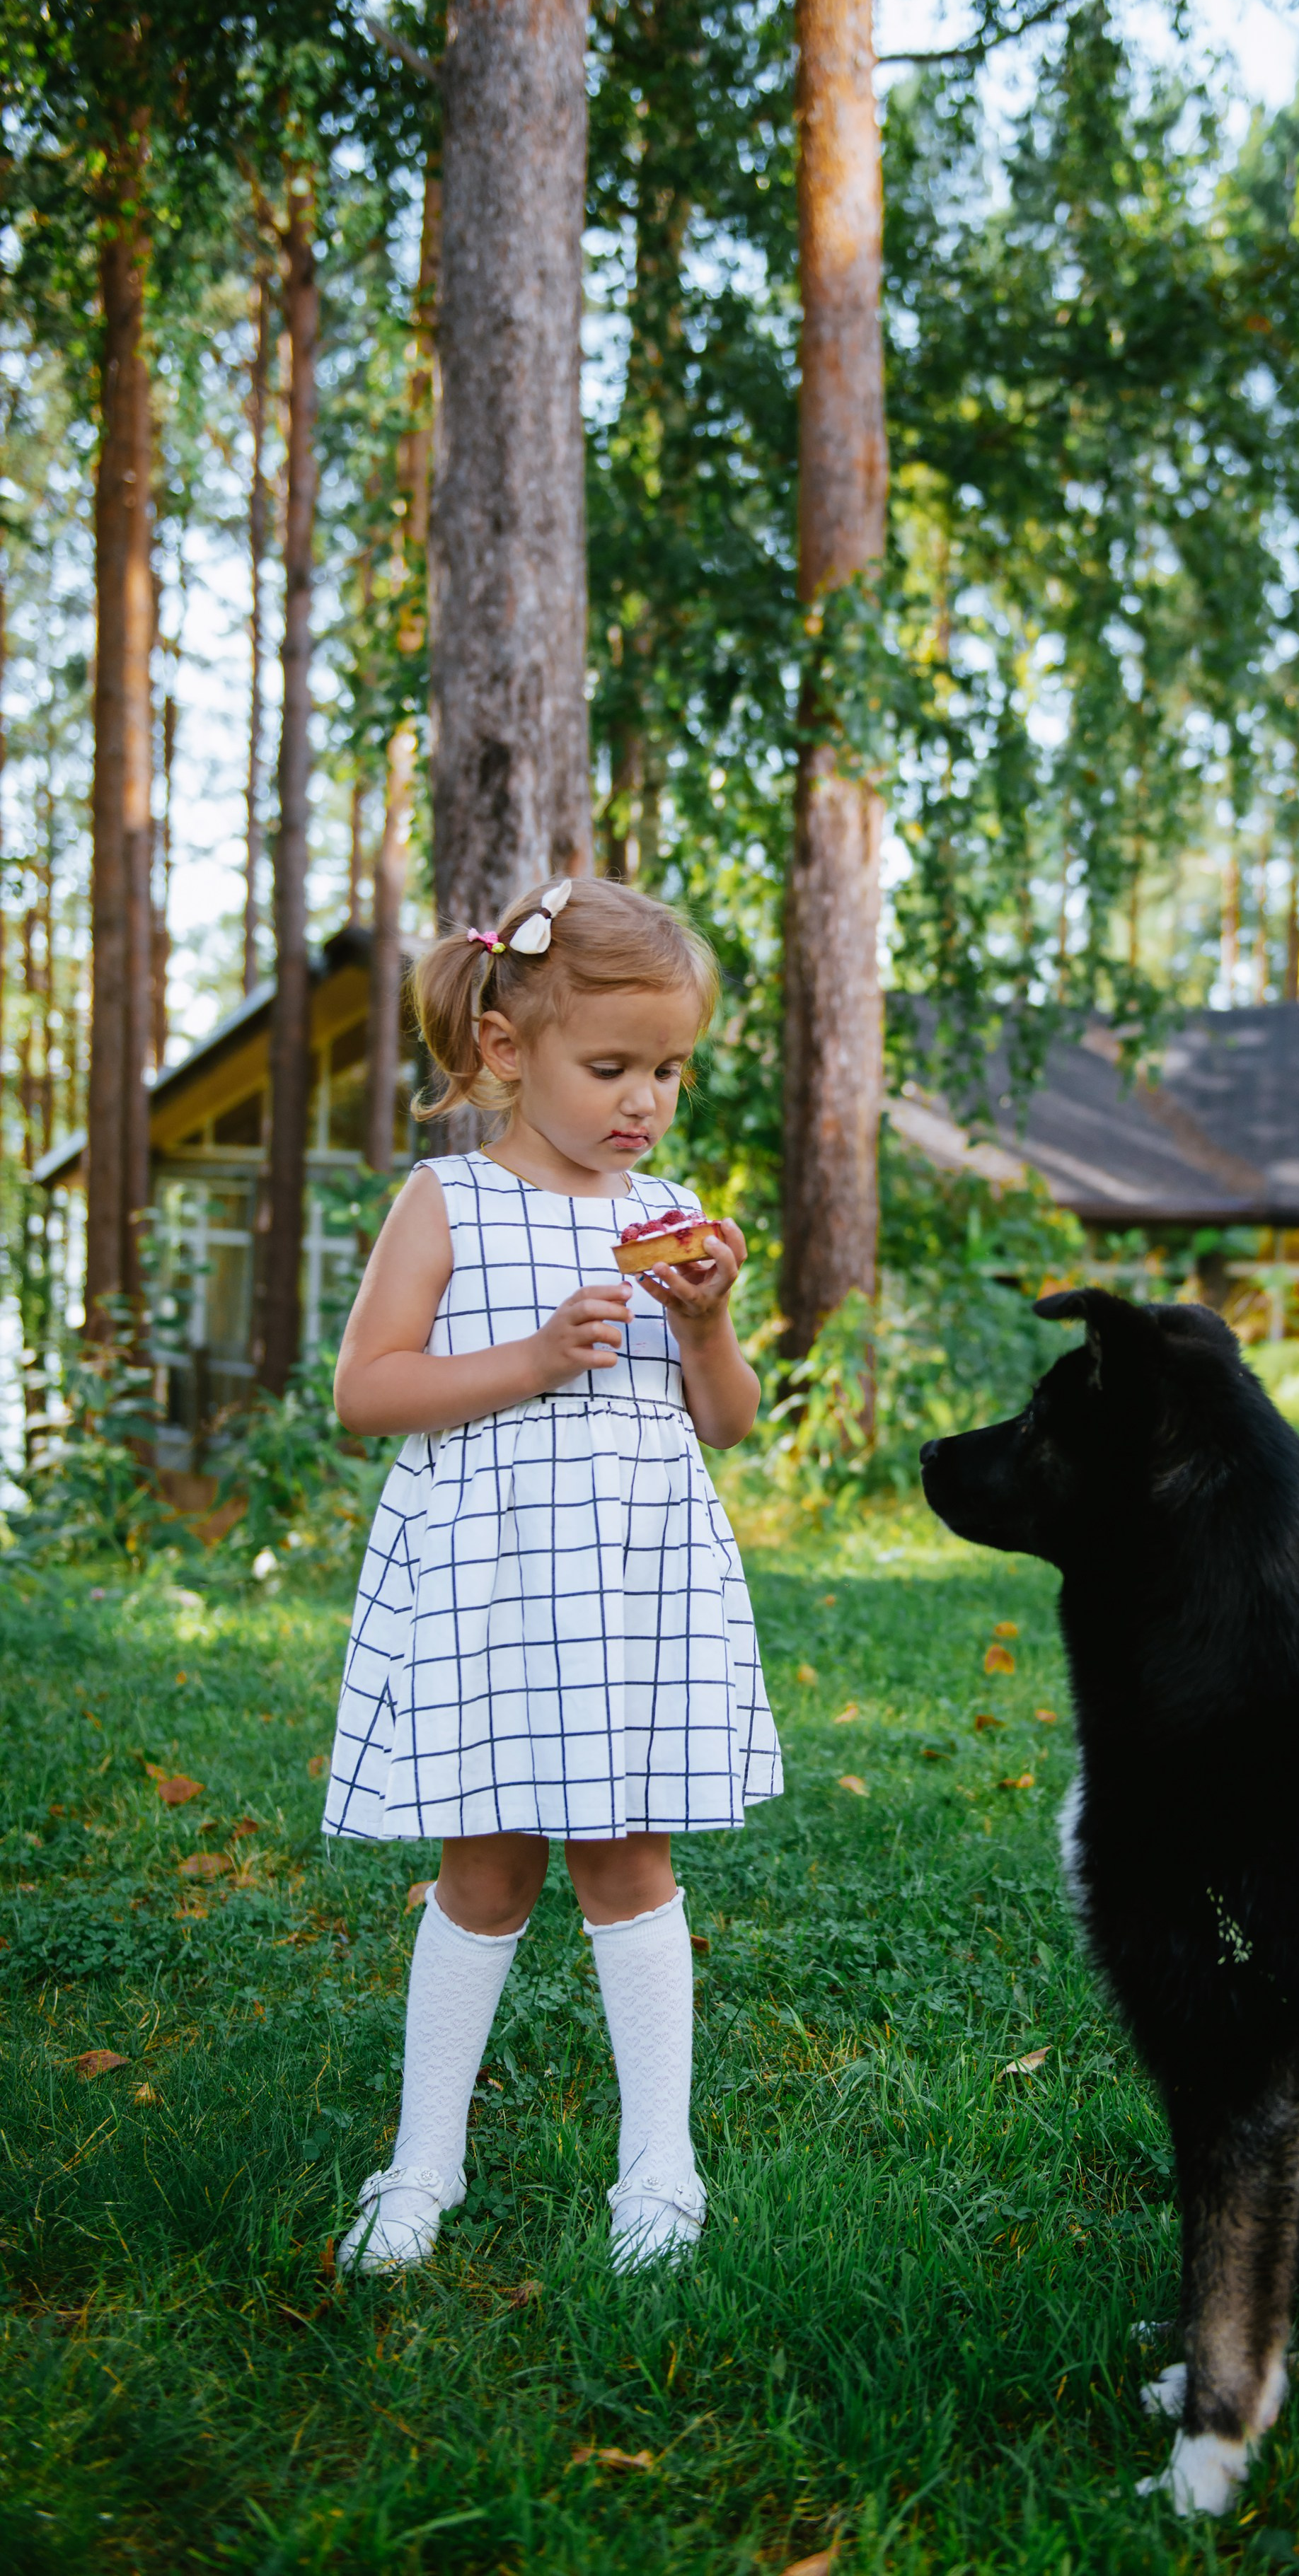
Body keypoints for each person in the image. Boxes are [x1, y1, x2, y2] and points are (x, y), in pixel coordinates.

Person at [319, 876, 781, 2275]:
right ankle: (422, 2164)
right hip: (495, 1581)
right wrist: (526, 1360)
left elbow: (728, 1419)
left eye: (670, 1070)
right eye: (613, 1066)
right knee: (486, 1867)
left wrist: (704, 1327)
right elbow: (367, 1388)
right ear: (510, 1050)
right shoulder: (449, 1199)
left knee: (626, 1859)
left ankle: (660, 2166)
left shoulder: (673, 1212)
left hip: (632, 1586)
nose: (646, 1100)